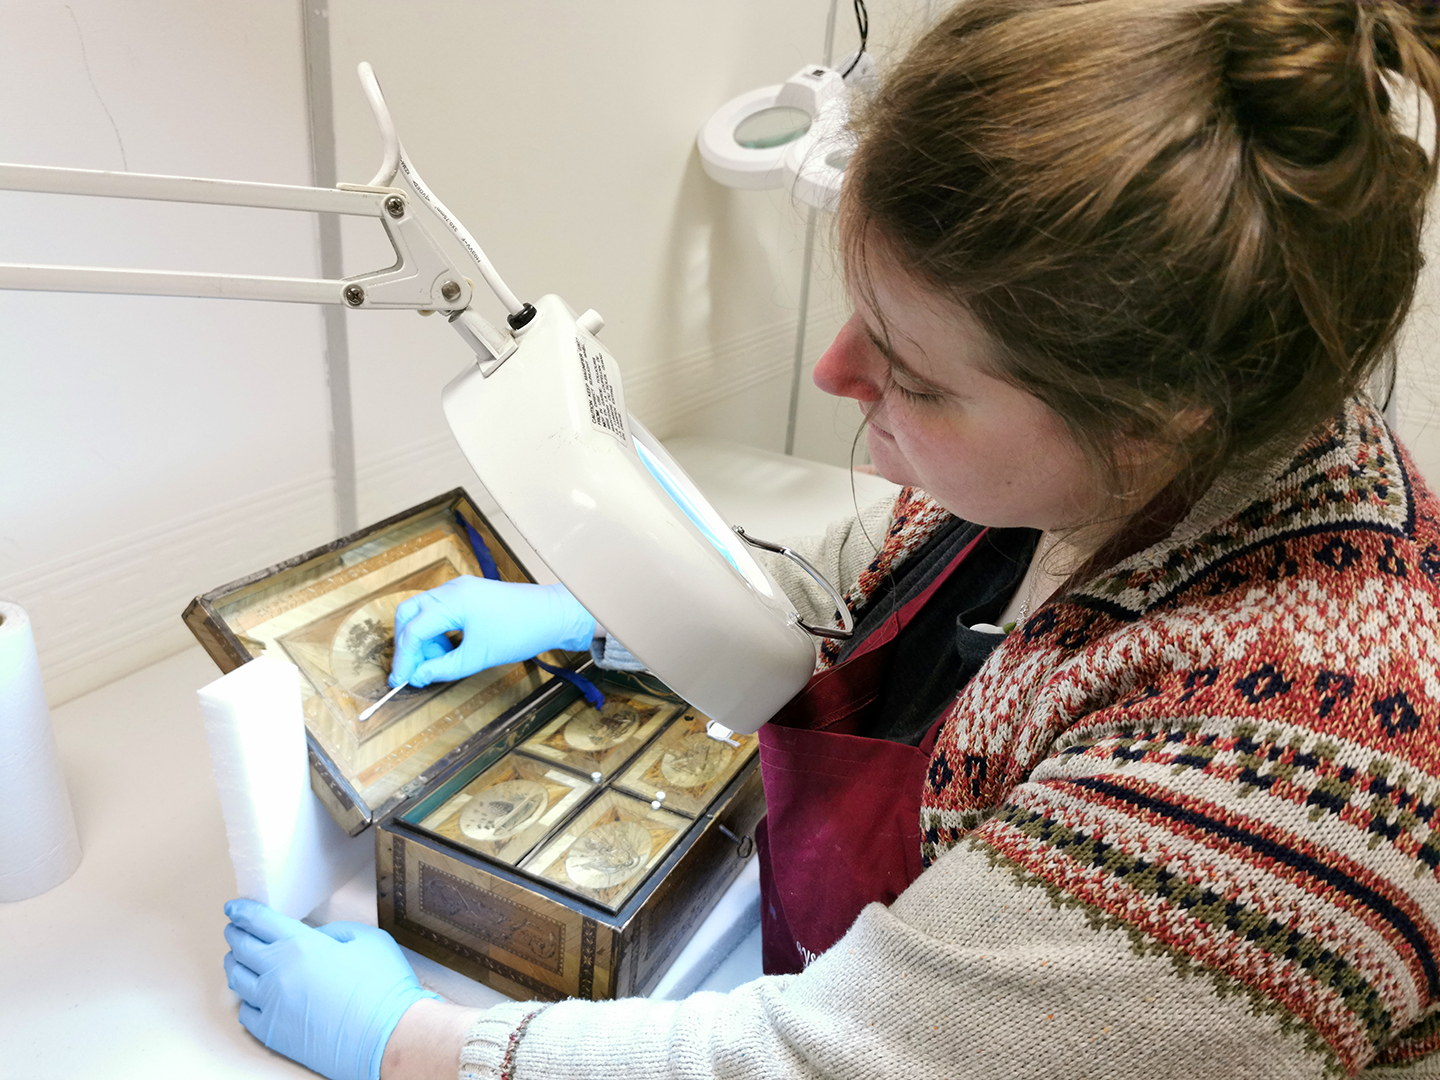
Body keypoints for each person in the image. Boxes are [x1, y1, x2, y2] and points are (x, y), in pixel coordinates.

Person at [221, 1, 1440, 1076]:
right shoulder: (1125, 469)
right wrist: (606, 624)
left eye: (911, 375)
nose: (833, 369)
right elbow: (901, 594)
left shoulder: (1276, 790)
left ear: (1149, 420)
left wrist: (415, 1047)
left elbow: (829, 1065)